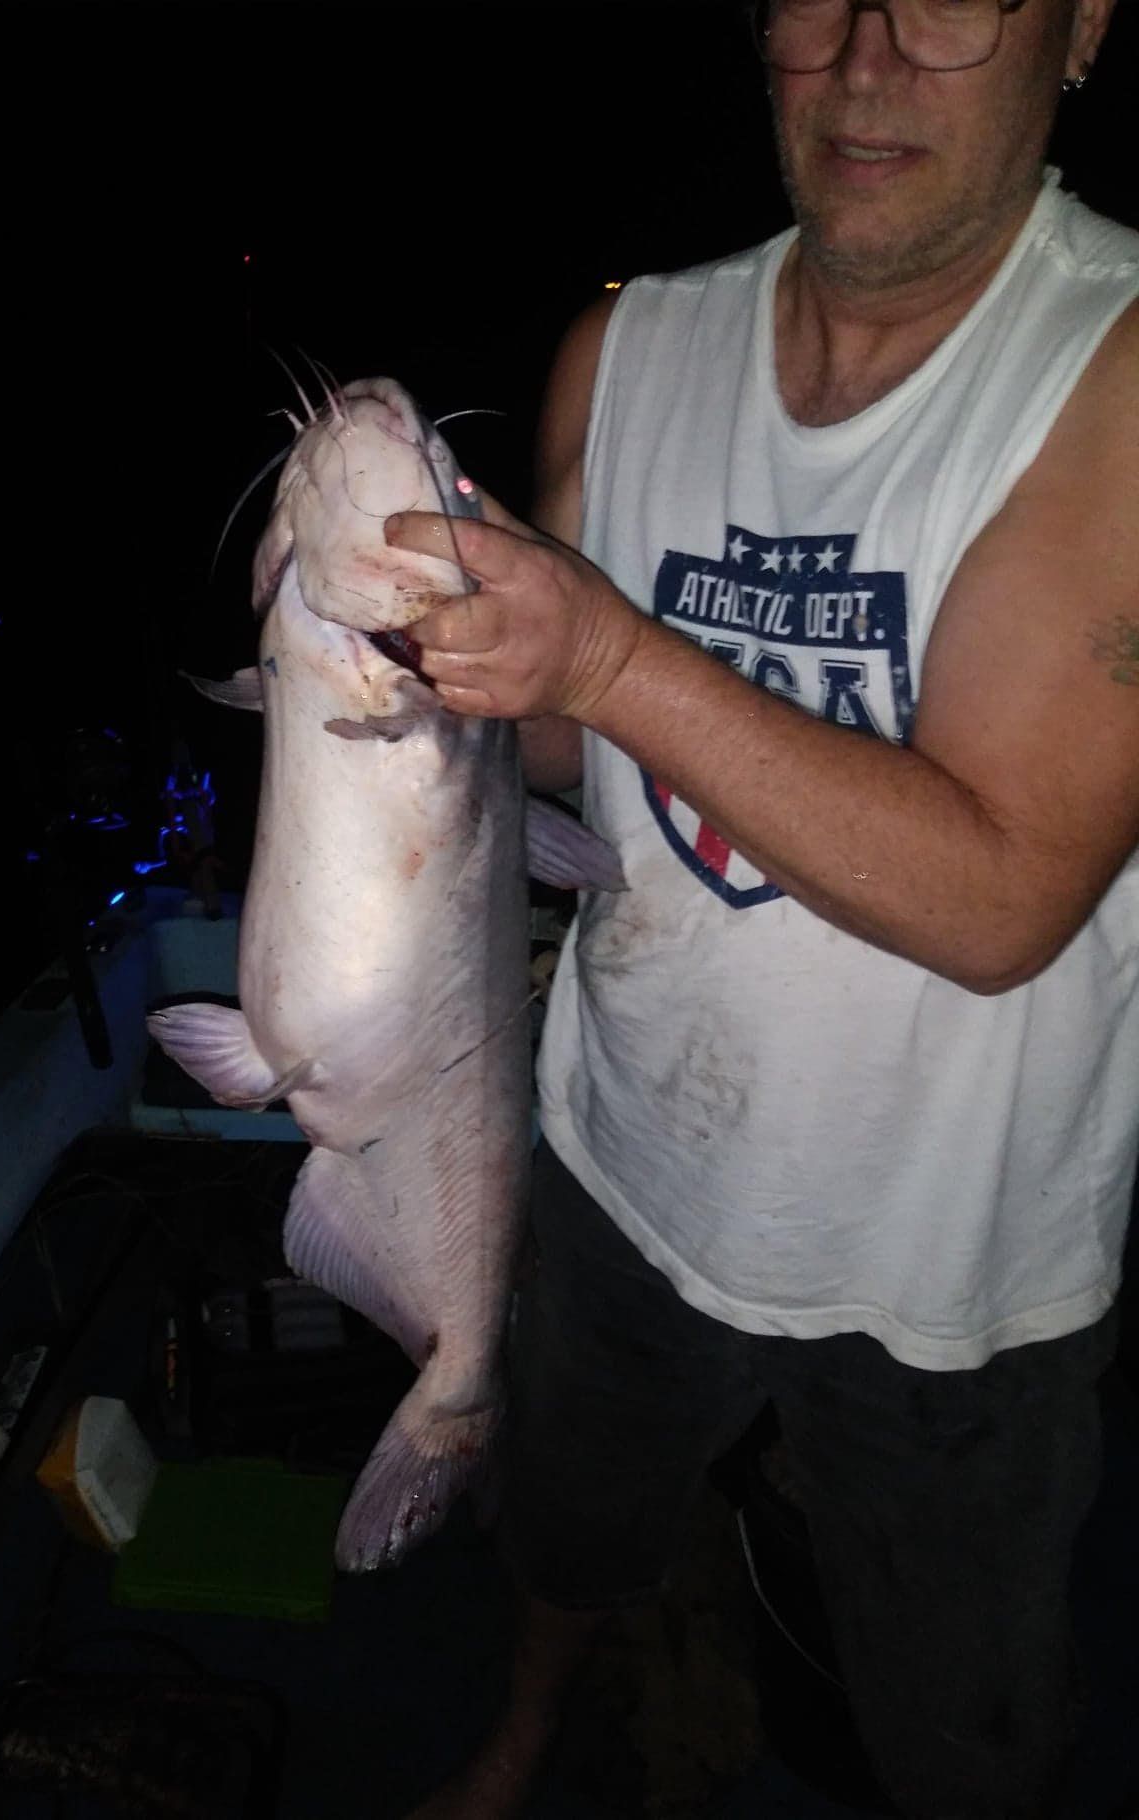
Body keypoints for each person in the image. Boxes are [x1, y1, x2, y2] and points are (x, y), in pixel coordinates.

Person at [386, 2, 1139, 1816]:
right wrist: (428, 646)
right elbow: (561, 749)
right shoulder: (629, 346)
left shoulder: (1110, 367)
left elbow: (1001, 895)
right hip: (622, 1159)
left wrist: (608, 655)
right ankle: (530, 1725)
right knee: (567, 1527)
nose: (869, 60)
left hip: (953, 1259)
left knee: (964, 1732)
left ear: (1080, 28)